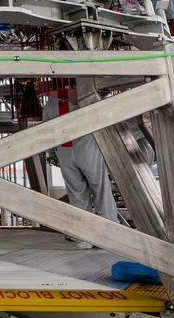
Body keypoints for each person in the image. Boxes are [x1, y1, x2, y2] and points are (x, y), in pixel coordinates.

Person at [41, 81, 119, 239]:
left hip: (65, 150)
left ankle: (82, 234)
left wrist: (51, 153)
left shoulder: (51, 103)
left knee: (77, 194)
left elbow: (46, 130)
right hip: (87, 146)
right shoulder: (82, 95)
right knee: (100, 189)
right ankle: (110, 232)